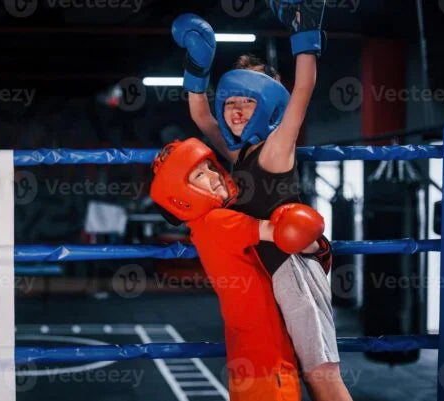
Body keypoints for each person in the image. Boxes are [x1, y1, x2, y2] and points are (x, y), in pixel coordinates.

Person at [172, 3, 353, 400]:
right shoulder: (240, 155)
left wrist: (305, 36)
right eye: (232, 101)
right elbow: (202, 116)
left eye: (248, 101)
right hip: (267, 274)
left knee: (321, 374)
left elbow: (302, 93)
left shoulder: (276, 148)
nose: (236, 110)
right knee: (295, 374)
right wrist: (197, 63)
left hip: (293, 271)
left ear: (269, 106)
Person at [150, 138, 328, 401]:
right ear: (181, 195)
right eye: (199, 174)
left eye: (211, 166)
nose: (214, 175)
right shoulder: (219, 221)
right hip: (268, 362)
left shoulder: (203, 227)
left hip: (248, 362)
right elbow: (286, 231)